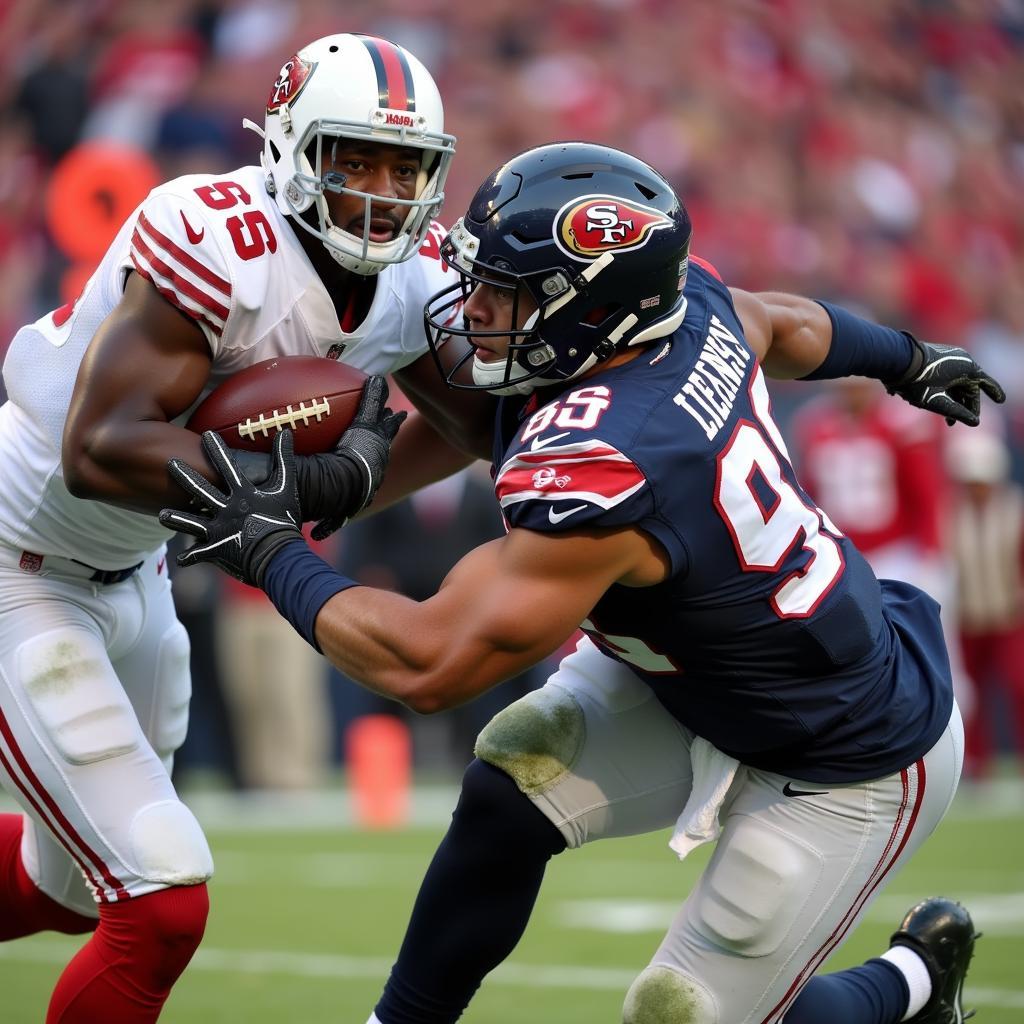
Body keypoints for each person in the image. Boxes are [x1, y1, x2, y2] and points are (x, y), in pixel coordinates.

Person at [161, 143, 1004, 1024]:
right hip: (691, 670)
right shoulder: (680, 308)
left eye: (507, 291)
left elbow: (428, 663)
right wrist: (904, 357)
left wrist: (266, 550)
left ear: (592, 311)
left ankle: (910, 985)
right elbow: (788, 324)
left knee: (680, 1013)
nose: (474, 308)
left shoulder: (611, 461)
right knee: (509, 787)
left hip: (844, 747)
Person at [0, 31, 489, 1023]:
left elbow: (475, 424)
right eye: (358, 158)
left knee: (65, 888)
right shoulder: (214, 236)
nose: (384, 190)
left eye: (408, 167)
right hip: (21, 556)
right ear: (294, 150)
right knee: (161, 898)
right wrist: (303, 483)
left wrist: (344, 485)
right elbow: (101, 446)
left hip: (129, 573)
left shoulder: (411, 274)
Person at [946, 429, 1024, 777]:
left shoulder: (1015, 509)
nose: (977, 487)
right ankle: (979, 761)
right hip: (967, 615)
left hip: (1010, 613)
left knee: (1016, 683)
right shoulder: (948, 513)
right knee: (971, 691)